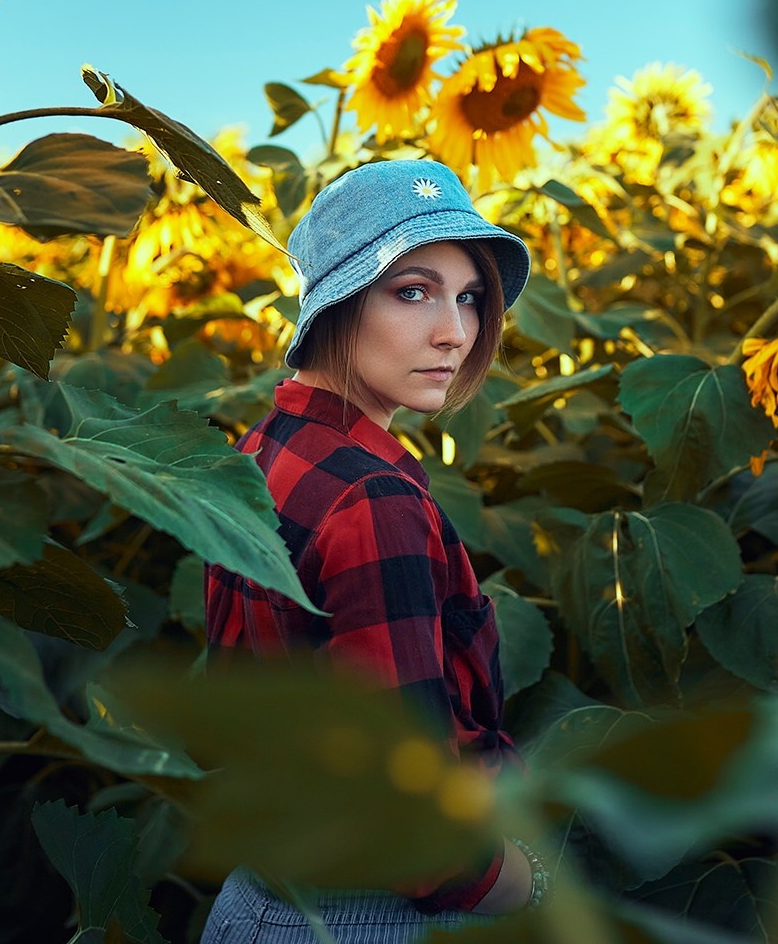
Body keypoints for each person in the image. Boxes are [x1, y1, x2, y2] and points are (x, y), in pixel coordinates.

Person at [198, 159, 550, 943]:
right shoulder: (373, 499)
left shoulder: (259, 448)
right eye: (413, 290)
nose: (454, 331)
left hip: (257, 900)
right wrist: (529, 881)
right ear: (336, 302)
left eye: (468, 297)